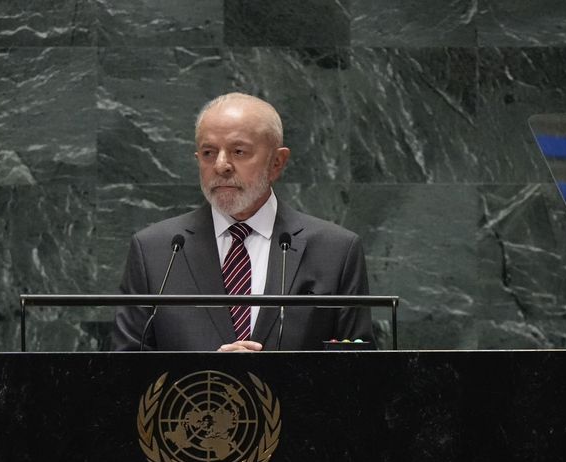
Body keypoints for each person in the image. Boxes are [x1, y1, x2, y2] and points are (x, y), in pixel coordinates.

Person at [111, 93, 374, 351]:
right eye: (208, 153)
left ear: (277, 162)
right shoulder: (155, 251)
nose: (221, 165)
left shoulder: (336, 251)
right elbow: (125, 372)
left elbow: (358, 373)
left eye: (238, 151)